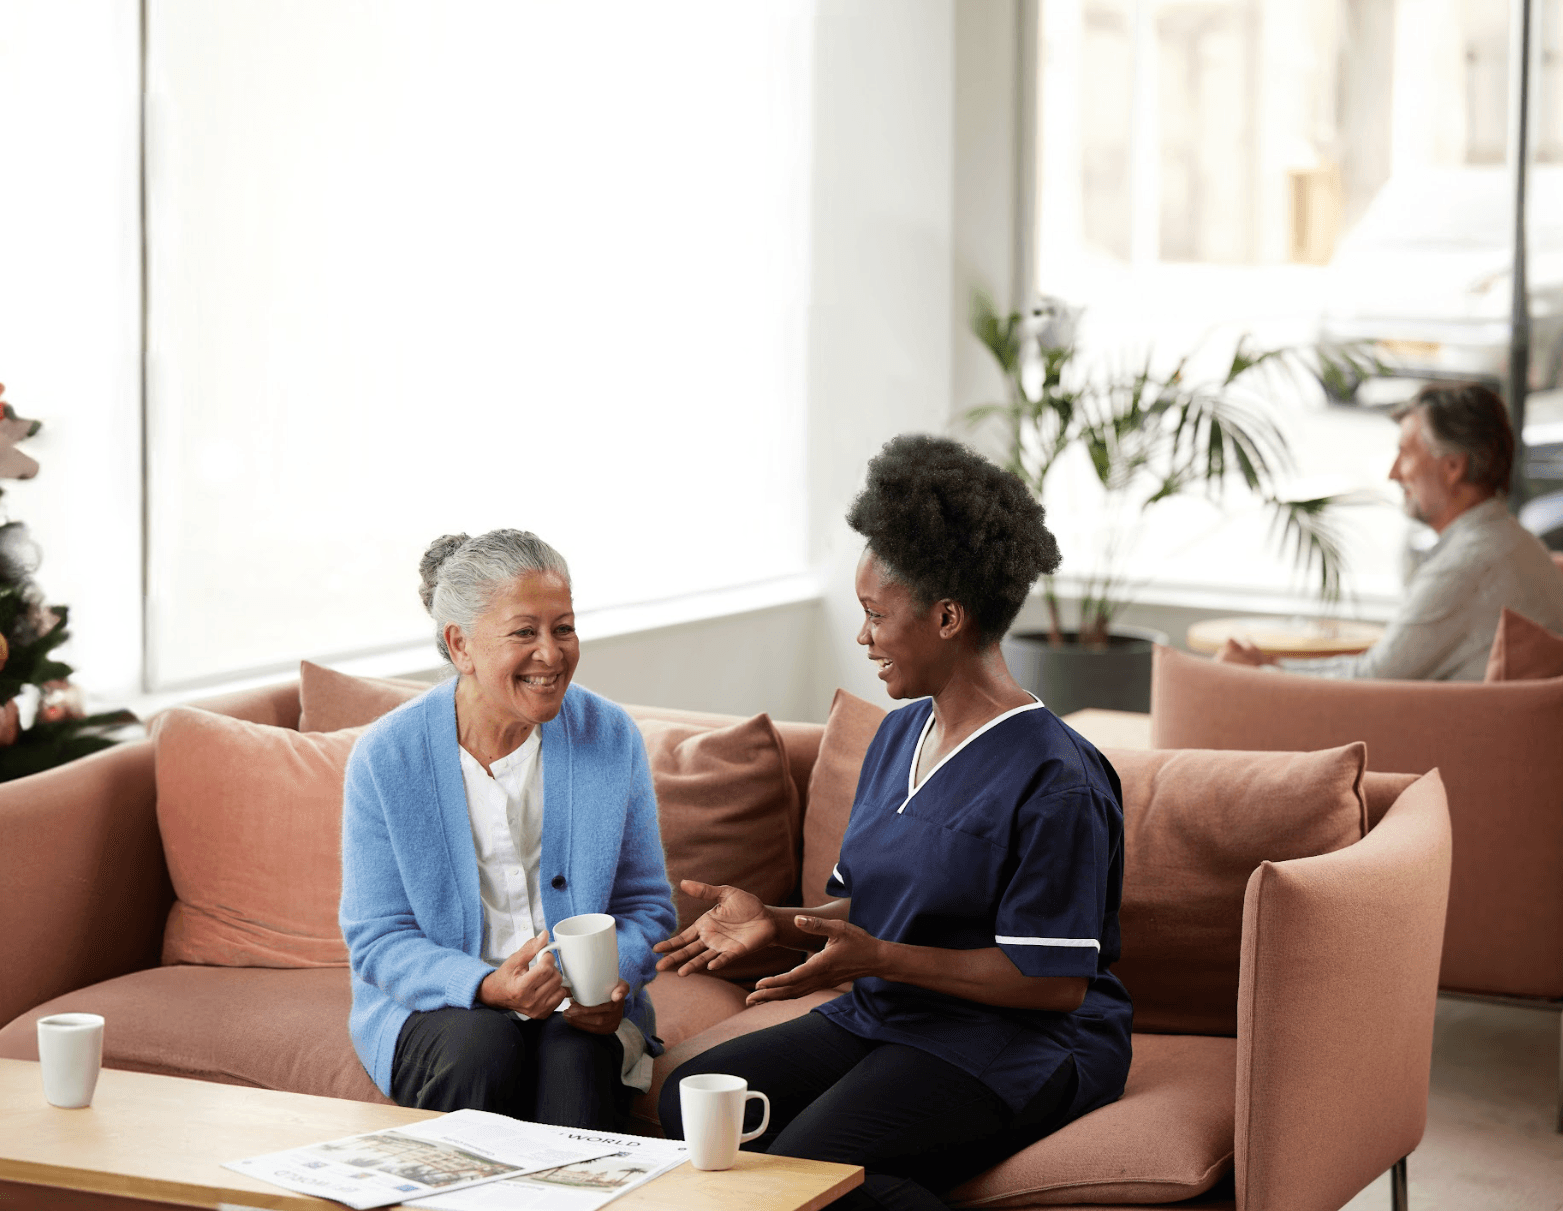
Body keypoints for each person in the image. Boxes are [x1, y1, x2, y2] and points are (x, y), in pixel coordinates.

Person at [654, 435, 1132, 1211]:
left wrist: (879, 957)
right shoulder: (897, 735)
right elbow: (860, 913)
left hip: (1019, 1043)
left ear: (947, 617)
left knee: (803, 1175)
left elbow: (1054, 985)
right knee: (691, 1101)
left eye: (876, 615)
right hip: (888, 1011)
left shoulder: (1058, 781)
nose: (862, 637)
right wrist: (774, 922)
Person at [340, 529, 675, 1131]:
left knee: (577, 1061)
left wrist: (607, 982)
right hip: (441, 1005)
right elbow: (378, 938)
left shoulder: (610, 735)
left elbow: (645, 905)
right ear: (460, 645)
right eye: (525, 632)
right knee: (482, 1051)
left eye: (563, 628)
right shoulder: (386, 757)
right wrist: (488, 987)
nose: (550, 654)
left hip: (579, 1006)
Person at [1218, 382, 1563, 680]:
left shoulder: (1469, 566)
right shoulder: (1514, 543)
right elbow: (1379, 672)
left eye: (1406, 453)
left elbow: (1370, 683)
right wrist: (1273, 665)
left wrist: (1260, 675)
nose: (1393, 473)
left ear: (1454, 467)